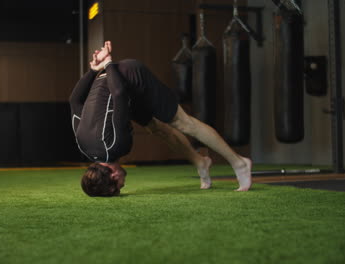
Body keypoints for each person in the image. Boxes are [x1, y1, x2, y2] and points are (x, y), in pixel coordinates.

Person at [69, 41, 252, 196]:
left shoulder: (115, 146)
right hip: (113, 85)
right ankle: (200, 162)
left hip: (130, 77)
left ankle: (239, 162)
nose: (123, 186)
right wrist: (93, 71)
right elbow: (75, 100)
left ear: (114, 177)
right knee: (155, 127)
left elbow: (119, 93)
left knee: (183, 123)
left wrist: (108, 63)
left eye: (119, 188)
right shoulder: (82, 145)